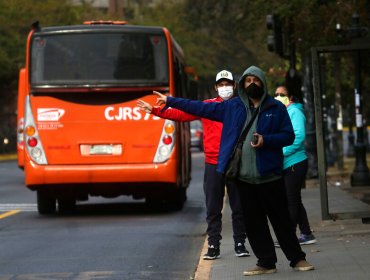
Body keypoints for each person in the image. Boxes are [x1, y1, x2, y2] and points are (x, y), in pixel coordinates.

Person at [145, 65, 314, 276]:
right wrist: (170, 101)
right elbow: (198, 108)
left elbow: (288, 136)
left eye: (256, 80)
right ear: (242, 84)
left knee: (280, 219)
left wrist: (266, 141)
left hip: (270, 175)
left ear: (263, 83)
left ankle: (297, 258)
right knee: (253, 222)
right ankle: (266, 261)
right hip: (243, 177)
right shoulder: (232, 107)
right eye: (248, 80)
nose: (252, 84)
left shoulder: (275, 108)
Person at [137, 70, 249, 260]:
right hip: (213, 163)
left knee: (239, 205)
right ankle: (213, 245)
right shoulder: (207, 107)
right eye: (220, 85)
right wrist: (155, 110)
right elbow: (182, 114)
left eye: (227, 84)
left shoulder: (240, 107)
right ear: (215, 88)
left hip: (235, 161)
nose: (224, 88)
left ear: (234, 86)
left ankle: (240, 243)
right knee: (213, 207)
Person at [274, 85, 317, 246]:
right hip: (287, 164)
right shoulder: (282, 112)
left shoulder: (295, 112)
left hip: (295, 163)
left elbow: (298, 136)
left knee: (290, 201)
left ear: (290, 97)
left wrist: (281, 151)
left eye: (282, 94)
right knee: (295, 200)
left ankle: (288, 237)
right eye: (276, 94)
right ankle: (307, 233)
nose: (278, 96)